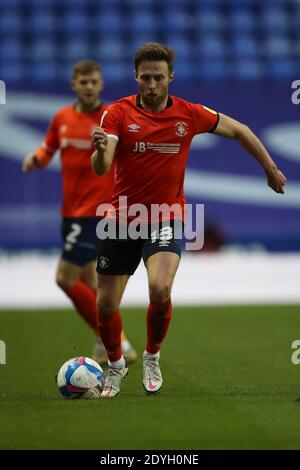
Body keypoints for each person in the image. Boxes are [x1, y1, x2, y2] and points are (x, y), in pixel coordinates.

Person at [91, 43, 286, 398]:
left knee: (160, 289)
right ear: (136, 76)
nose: (151, 84)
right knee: (105, 304)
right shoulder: (116, 114)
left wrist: (270, 169)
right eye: (145, 77)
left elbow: (240, 129)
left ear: (171, 77)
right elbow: (102, 165)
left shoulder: (189, 114)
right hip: (123, 217)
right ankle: (115, 367)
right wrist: (100, 150)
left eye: (158, 78)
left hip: (167, 215)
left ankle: (152, 356)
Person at [22, 59, 137, 365]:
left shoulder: (113, 117)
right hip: (71, 212)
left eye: (93, 81)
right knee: (91, 281)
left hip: (99, 213)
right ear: (74, 85)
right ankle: (117, 344)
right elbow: (48, 150)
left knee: (65, 277)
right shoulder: (61, 118)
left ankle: (111, 341)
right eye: (82, 82)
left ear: (101, 84)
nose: (88, 86)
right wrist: (36, 158)